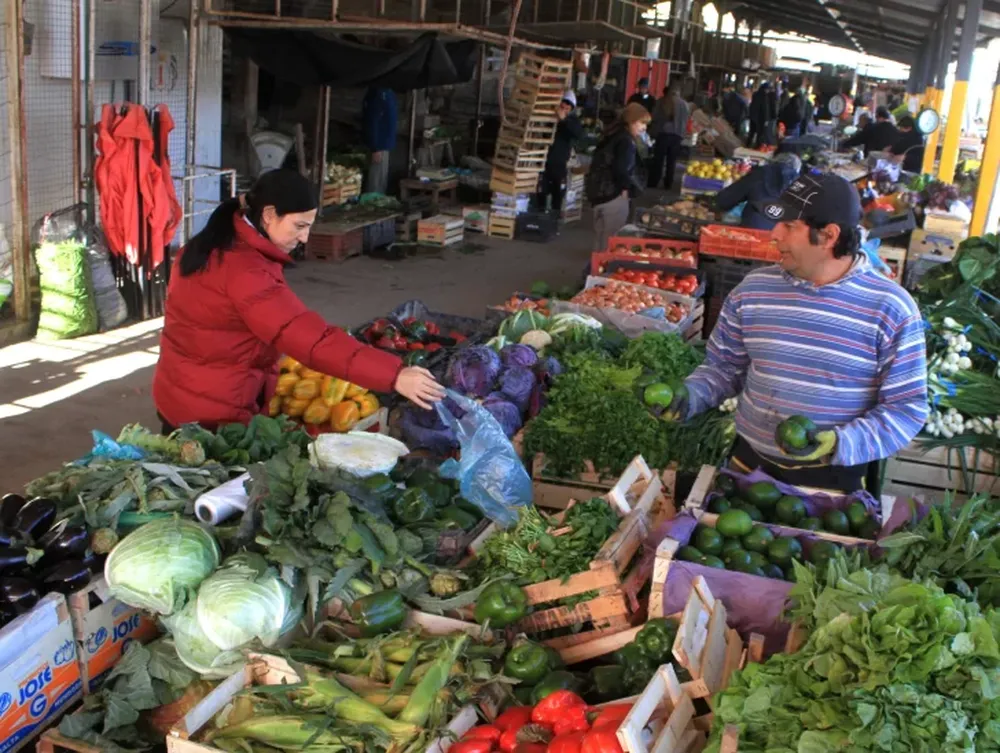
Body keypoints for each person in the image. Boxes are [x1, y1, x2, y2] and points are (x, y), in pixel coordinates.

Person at [667, 173, 928, 493]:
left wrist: (841, 442)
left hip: (834, 484)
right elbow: (724, 368)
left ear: (829, 235)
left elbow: (907, 408)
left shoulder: (890, 309)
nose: (773, 235)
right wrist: (689, 396)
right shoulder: (752, 291)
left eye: (789, 226)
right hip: (748, 467)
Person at [153, 169, 445, 432]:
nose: (305, 237)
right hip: (210, 416)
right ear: (269, 215)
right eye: (299, 226)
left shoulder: (211, 243)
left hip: (180, 394)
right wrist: (394, 375)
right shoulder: (245, 271)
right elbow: (309, 339)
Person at [585, 103, 651, 252]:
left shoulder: (611, 134)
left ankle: (595, 270)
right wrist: (625, 188)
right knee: (611, 241)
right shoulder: (626, 141)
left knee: (600, 238)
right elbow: (622, 169)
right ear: (632, 121)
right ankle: (602, 270)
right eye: (642, 123)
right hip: (612, 195)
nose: (644, 128)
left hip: (598, 194)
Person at [714, 153, 802, 230]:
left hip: (752, 233)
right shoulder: (803, 184)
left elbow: (725, 200)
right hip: (782, 241)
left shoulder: (760, 174)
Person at [537, 91, 584, 215]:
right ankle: (539, 215)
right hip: (544, 160)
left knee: (557, 192)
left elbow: (578, 134)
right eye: (562, 106)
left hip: (559, 162)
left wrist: (564, 120)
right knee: (541, 191)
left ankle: (554, 219)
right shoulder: (549, 118)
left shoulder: (572, 121)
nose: (564, 109)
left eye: (567, 107)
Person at [649, 84, 690, 190]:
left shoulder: (662, 101)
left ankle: (654, 181)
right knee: (672, 161)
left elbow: (654, 117)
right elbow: (686, 120)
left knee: (659, 160)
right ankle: (668, 183)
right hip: (677, 136)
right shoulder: (685, 104)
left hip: (663, 134)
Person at [362, 86, 398, 194]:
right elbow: (373, 121)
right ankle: (372, 204)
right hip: (380, 144)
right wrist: (375, 147)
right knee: (376, 179)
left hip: (385, 144)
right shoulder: (378, 93)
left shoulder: (388, 92)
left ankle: (377, 201)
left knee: (381, 178)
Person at [748, 82, 777, 146]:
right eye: (767, 89)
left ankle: (747, 145)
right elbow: (765, 109)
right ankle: (757, 146)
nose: (768, 91)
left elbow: (752, 106)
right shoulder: (764, 96)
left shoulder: (755, 94)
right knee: (760, 134)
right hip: (760, 119)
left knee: (751, 133)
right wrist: (766, 119)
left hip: (753, 117)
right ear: (765, 89)